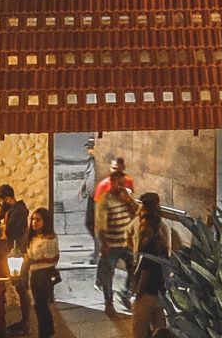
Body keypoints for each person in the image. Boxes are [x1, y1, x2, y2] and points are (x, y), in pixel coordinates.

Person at [95, 163, 138, 315]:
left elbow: (136, 214)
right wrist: (103, 243)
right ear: (112, 183)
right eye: (117, 184)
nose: (120, 187)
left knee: (134, 270)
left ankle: (126, 294)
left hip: (127, 242)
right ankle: (108, 301)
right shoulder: (105, 199)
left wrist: (129, 201)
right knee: (109, 273)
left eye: (122, 183)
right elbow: (100, 223)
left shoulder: (127, 195)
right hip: (112, 244)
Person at [129, 196, 171, 338]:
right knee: (159, 326)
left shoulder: (150, 245)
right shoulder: (161, 239)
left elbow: (146, 270)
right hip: (160, 291)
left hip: (147, 293)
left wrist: (139, 292)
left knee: (139, 328)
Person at [0, 186, 30, 333]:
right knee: (19, 286)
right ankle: (24, 323)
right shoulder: (10, 210)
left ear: (7, 199)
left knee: (21, 287)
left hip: (18, 253)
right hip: (13, 252)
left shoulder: (19, 211)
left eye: (0, 200)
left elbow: (9, 230)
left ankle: (25, 323)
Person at [24, 209, 60, 338]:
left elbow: (55, 258)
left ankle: (45, 332)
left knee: (42, 305)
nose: (34, 222)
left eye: (38, 220)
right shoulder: (32, 237)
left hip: (44, 274)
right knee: (38, 306)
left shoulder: (50, 238)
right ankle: (47, 331)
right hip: (33, 274)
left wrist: (37, 260)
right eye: (33, 219)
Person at [80, 140, 99, 264]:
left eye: (91, 148)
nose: (89, 151)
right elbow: (88, 177)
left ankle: (98, 253)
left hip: (99, 199)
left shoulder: (100, 162)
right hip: (91, 198)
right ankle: (98, 246)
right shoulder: (91, 161)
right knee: (89, 223)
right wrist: (83, 187)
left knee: (98, 227)